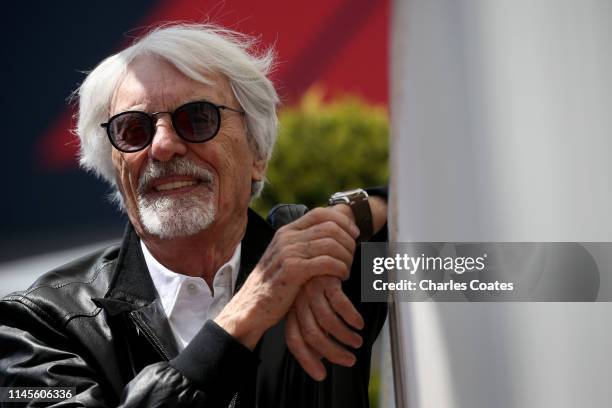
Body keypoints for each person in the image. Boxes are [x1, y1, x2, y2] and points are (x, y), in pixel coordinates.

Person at [0, 24, 388, 407]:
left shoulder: (331, 269)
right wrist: (244, 315)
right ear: (115, 169)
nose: (164, 146)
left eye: (198, 119)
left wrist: (363, 211)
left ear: (257, 154)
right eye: (134, 130)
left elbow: (448, 266)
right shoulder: (40, 322)